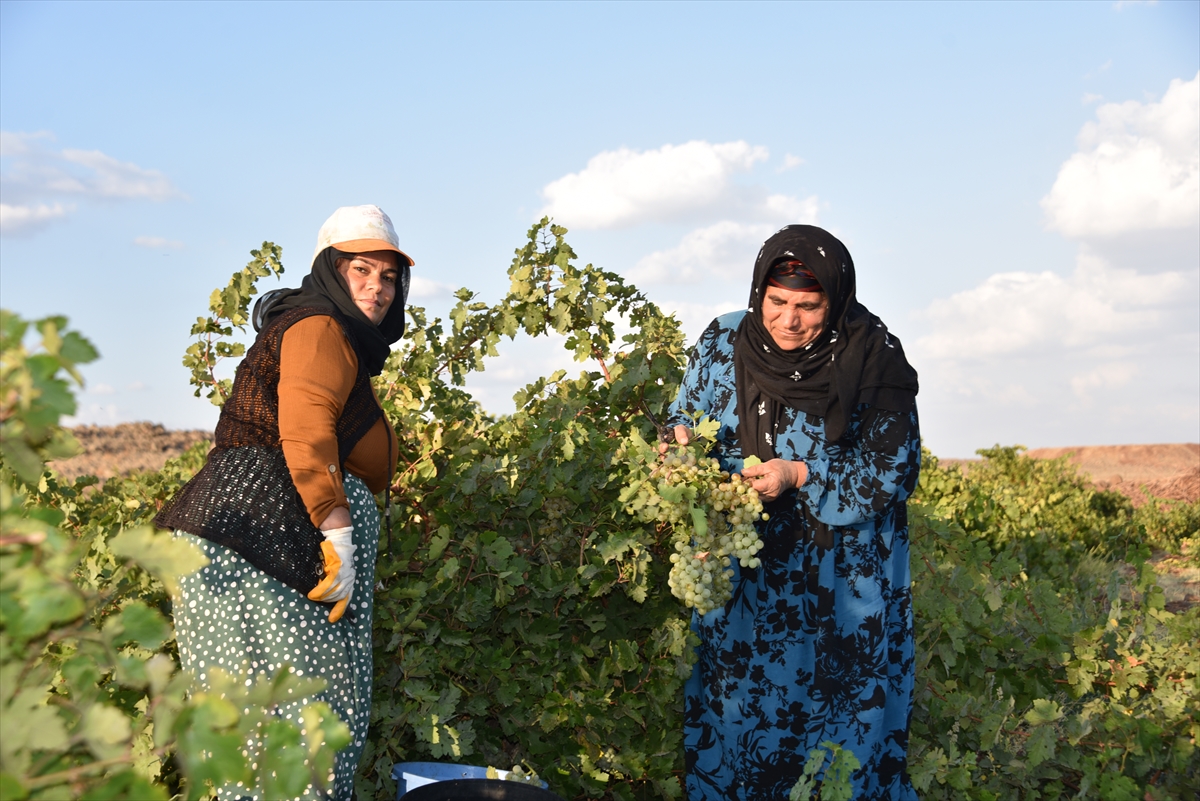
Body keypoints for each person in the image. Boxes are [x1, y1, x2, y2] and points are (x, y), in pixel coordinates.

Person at [156, 205, 410, 801]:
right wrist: (338, 530)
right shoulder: (318, 326)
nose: (377, 287)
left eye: (389, 276)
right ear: (329, 271)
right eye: (361, 270)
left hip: (261, 543)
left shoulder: (330, 332)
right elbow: (306, 428)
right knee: (294, 732)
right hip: (264, 545)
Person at [663, 225, 921, 800]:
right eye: (776, 302)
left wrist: (799, 473)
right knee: (735, 708)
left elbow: (893, 471)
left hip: (838, 580)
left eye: (808, 306)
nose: (789, 320)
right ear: (759, 292)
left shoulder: (873, 356)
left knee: (835, 722)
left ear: (836, 301)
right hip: (743, 571)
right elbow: (684, 414)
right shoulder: (723, 340)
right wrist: (677, 444)